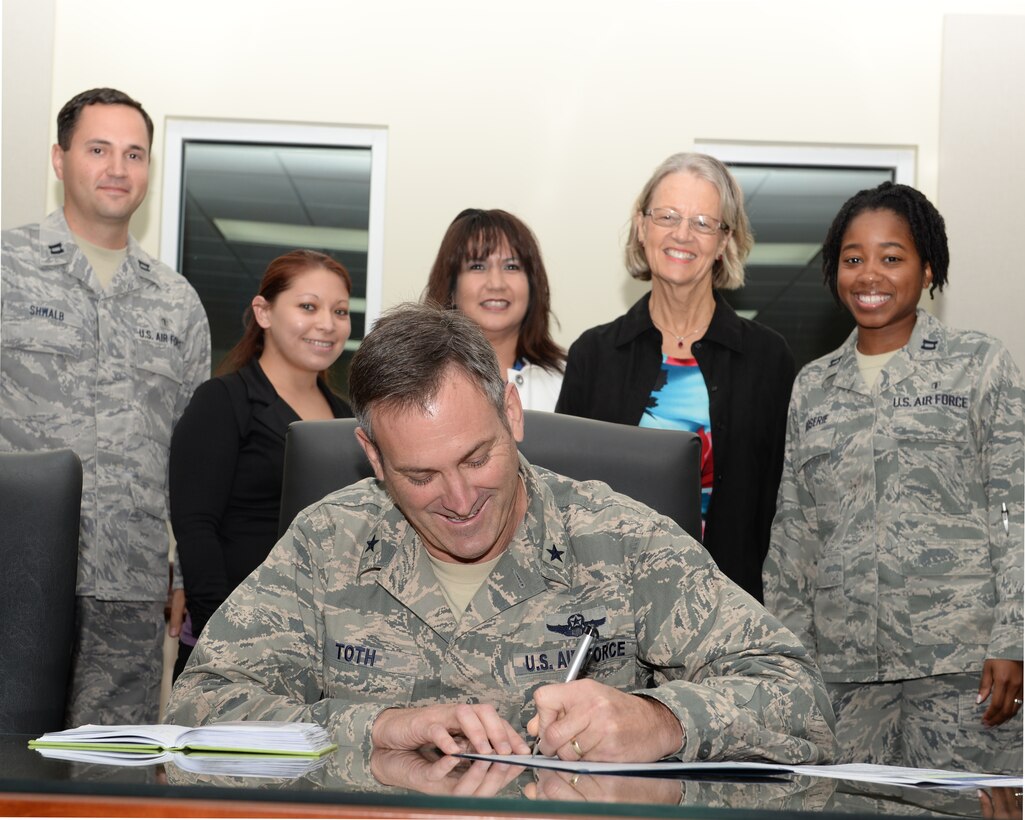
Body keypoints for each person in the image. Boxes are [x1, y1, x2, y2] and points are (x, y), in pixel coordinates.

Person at [167, 302, 835, 764]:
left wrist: (663, 721)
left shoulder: (618, 540)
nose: (458, 500)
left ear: (510, 413)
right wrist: (373, 727)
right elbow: (198, 705)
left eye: (476, 457)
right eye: (420, 475)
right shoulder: (328, 543)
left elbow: (797, 694)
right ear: (373, 457)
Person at [763, 182, 1023, 774]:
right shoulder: (814, 386)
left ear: (927, 268)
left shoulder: (979, 364)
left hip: (962, 666)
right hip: (842, 675)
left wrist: (1015, 638)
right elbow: (793, 537)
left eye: (891, 257)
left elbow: (1017, 509)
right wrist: (786, 663)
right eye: (853, 259)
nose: (869, 274)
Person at [0, 88, 211, 725]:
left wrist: (180, 574)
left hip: (130, 585)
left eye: (134, 153)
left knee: (110, 772)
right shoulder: (7, 268)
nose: (118, 168)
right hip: (13, 574)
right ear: (61, 159)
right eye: (99, 149)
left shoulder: (177, 303)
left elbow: (190, 458)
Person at [556, 153, 795, 602]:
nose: (682, 234)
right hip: (613, 610)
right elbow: (560, 500)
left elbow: (786, 507)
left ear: (726, 240)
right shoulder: (595, 355)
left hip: (734, 609)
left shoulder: (768, 359)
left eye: (704, 222)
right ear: (642, 226)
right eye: (667, 216)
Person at [168, 250, 353, 679]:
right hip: (236, 640)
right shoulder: (223, 402)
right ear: (263, 312)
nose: (327, 323)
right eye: (308, 306)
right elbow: (196, 529)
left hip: (323, 647)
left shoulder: (348, 419)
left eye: (340, 311)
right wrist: (224, 639)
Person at [424, 208, 565, 411]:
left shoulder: (569, 381)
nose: (497, 284)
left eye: (511, 267)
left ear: (532, 287)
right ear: (451, 288)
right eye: (478, 266)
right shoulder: (415, 379)